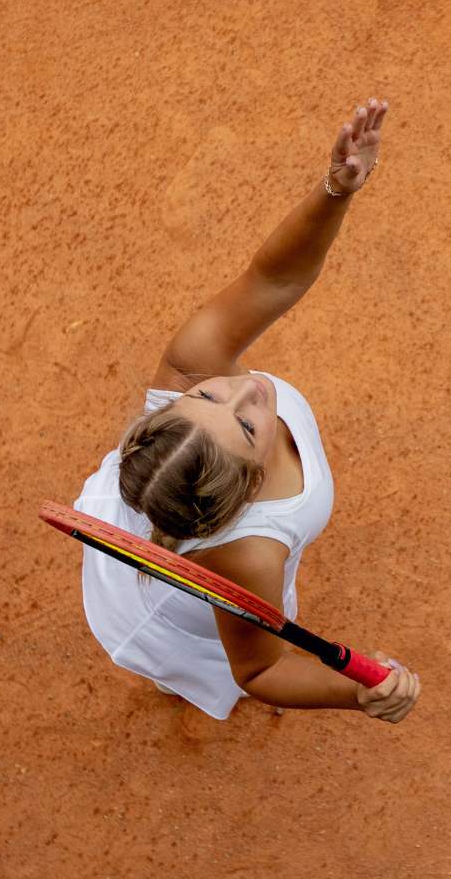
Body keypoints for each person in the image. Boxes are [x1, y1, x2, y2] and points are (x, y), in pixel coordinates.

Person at [71, 98, 420, 723]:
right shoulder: (250, 556)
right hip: (193, 602)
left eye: (208, 397)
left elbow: (272, 280)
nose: (247, 388)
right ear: (249, 488)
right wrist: (358, 692)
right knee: (198, 652)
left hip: (175, 501)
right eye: (245, 424)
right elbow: (259, 667)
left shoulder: (191, 365)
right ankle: (171, 672)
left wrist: (335, 191)